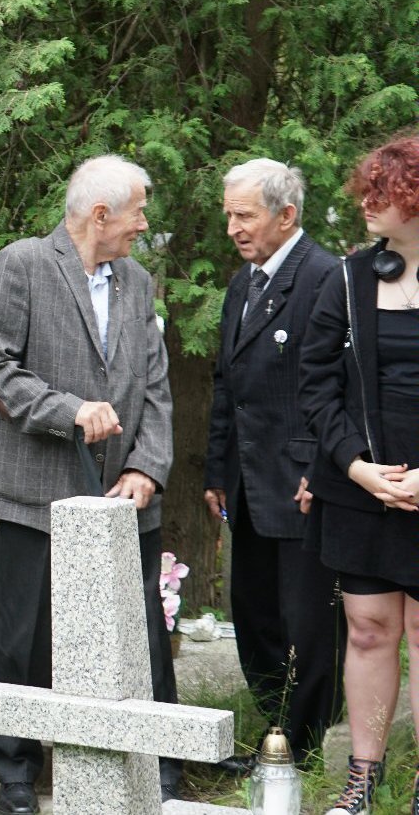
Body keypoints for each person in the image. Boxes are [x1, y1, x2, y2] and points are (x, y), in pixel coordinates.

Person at [0, 154, 179, 812]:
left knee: (138, 630)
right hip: (38, 490)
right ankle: (18, 774)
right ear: (100, 215)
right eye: (138, 212)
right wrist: (69, 410)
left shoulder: (137, 280)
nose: (143, 224)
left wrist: (147, 466)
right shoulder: (23, 265)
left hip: (123, 496)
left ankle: (151, 760)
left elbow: (155, 385)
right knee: (23, 640)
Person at [201, 159, 342, 770]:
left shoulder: (325, 277)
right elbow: (226, 385)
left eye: (245, 215)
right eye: (228, 214)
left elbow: (336, 386)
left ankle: (307, 744)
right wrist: (215, 470)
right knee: (253, 612)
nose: (232, 226)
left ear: (287, 216)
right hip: (246, 482)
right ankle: (277, 726)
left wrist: (324, 466)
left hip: (303, 481)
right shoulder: (244, 282)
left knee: (307, 619)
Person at [298, 134, 419, 814]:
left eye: (384, 191)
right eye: (366, 189)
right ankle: (362, 778)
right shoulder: (345, 278)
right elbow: (315, 386)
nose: (367, 203)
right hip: (362, 481)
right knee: (370, 627)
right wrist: (356, 468)